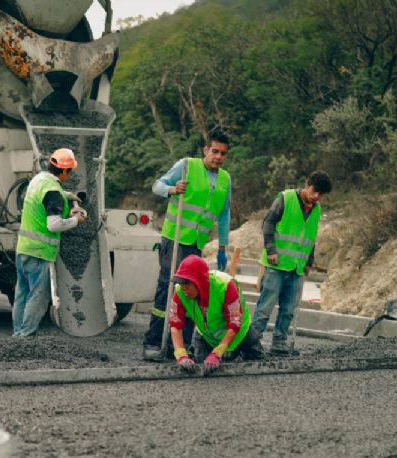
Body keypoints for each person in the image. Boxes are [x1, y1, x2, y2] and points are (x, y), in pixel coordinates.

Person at [142, 131, 233, 360]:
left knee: (192, 292)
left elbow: (224, 215)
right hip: (175, 239)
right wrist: (172, 189)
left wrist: (223, 247)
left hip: (196, 244)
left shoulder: (225, 180)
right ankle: (154, 342)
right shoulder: (186, 166)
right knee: (167, 290)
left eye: (223, 153)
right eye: (215, 151)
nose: (218, 157)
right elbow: (157, 185)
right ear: (206, 150)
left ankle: (180, 347)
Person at [251, 170, 332, 354]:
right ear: (307, 183)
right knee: (265, 308)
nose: (316, 196)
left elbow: (310, 236)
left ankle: (279, 344)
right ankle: (252, 343)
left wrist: (309, 261)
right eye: (314, 191)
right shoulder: (285, 198)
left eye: (321, 194)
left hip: (297, 268)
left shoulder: (316, 209)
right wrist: (270, 249)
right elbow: (268, 223)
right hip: (275, 264)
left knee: (288, 310)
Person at [12, 148, 88, 337]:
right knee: (37, 296)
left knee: (21, 295)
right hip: (40, 252)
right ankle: (26, 337)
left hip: (23, 249)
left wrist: (69, 196)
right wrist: (75, 220)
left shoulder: (38, 180)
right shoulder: (53, 191)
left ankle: (17, 335)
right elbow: (53, 225)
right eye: (69, 172)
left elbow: (48, 195)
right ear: (64, 171)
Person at [168, 254, 264, 373]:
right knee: (200, 365)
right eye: (180, 283)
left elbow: (235, 323)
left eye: (186, 283)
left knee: (257, 357)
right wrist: (181, 355)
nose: (183, 288)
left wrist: (217, 353)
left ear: (198, 282)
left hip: (238, 332)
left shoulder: (225, 285)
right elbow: (175, 325)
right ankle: (228, 353)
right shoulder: (179, 291)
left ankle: (235, 351)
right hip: (207, 335)